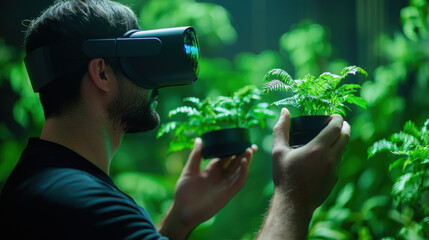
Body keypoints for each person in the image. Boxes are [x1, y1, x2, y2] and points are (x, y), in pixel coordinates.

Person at [0, 0, 351, 239]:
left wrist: (178, 220)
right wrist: (294, 195)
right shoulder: (83, 202)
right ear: (102, 73)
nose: (153, 83)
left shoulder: (38, 183)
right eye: (136, 62)